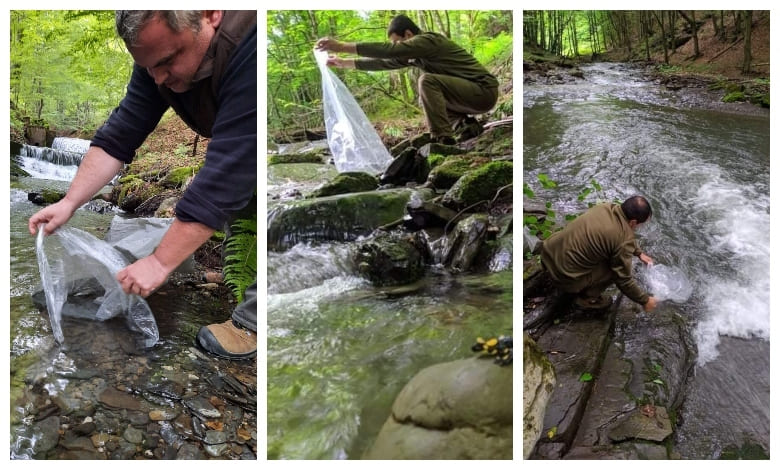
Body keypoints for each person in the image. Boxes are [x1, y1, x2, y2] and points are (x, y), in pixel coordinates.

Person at [27, 10, 257, 360]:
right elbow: (121, 133)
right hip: (241, 139)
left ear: (210, 14)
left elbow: (230, 167)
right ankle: (231, 277)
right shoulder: (156, 58)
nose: (159, 79)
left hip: (262, 137)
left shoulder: (252, 42)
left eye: (167, 61)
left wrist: (162, 262)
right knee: (239, 208)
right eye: (149, 68)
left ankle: (254, 320)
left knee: (265, 199)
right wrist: (69, 202)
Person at [315, 14, 499, 145]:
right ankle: (466, 126)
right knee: (425, 95)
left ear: (409, 35)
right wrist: (344, 63)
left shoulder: (428, 41)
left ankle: (442, 139)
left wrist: (341, 46)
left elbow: (390, 51)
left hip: (483, 91)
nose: (397, 47)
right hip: (471, 96)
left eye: (398, 42)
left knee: (427, 81)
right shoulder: (417, 55)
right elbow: (385, 63)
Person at [540, 196, 658, 312]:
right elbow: (623, 280)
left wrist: (639, 253)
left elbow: (622, 236)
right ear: (633, 222)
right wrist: (645, 300)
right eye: (640, 225)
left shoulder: (605, 207)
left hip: (547, 255)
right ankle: (587, 299)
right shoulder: (624, 240)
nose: (639, 228)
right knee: (615, 270)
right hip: (563, 277)